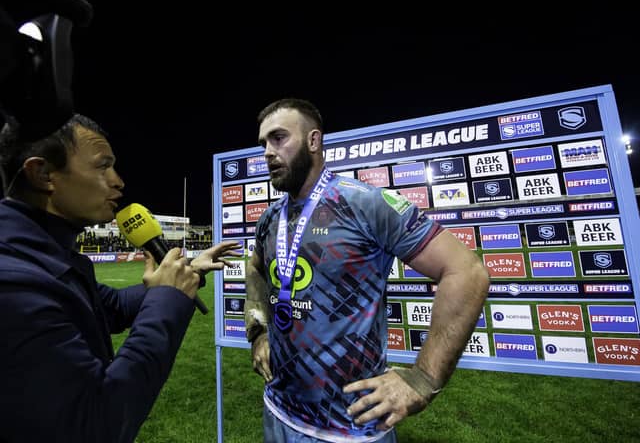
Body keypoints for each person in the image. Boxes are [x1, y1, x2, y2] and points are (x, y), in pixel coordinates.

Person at [245, 98, 490, 442]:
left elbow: (466, 272)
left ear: (314, 141)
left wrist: (423, 378)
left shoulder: (363, 203)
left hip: (352, 429)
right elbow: (255, 267)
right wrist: (258, 331)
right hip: (279, 414)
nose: (268, 152)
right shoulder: (271, 218)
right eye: (263, 144)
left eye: (279, 138)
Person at [0, 113, 243, 442]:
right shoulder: (11, 279)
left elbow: (109, 306)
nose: (118, 181)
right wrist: (167, 301)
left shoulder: (46, 254)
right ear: (43, 173)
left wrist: (188, 273)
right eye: (103, 166)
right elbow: (100, 423)